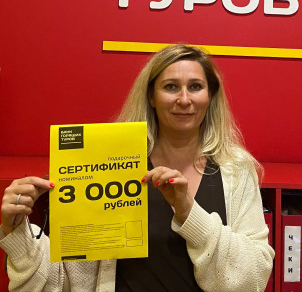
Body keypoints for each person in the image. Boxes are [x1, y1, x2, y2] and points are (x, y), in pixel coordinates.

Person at [0, 43, 274, 291]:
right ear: (151, 97)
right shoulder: (110, 164)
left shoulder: (236, 171)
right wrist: (17, 230)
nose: (184, 99)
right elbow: (62, 280)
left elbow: (254, 278)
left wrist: (189, 213)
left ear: (210, 96)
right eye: (170, 87)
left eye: (195, 86)